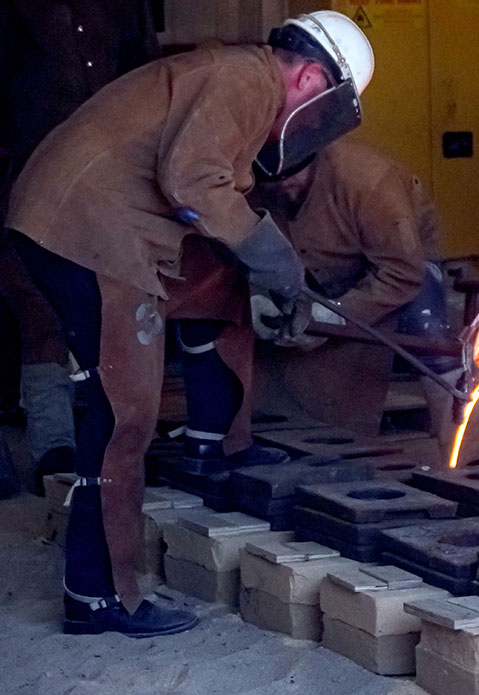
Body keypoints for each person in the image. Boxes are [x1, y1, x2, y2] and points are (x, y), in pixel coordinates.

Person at [4, 11, 374, 637]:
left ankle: (211, 443)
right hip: (90, 231)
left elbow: (219, 192)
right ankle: (100, 599)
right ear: (312, 77)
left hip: (79, 223)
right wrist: (274, 258)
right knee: (124, 416)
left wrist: (262, 274)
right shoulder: (245, 80)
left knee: (124, 401)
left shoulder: (238, 81)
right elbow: (191, 179)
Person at [0, 0, 161, 492]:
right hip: (30, 170)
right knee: (38, 308)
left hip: (109, 176)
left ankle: (115, 447)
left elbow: (146, 78)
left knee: (113, 304)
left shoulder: (122, 7)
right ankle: (54, 446)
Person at [247, 137, 479, 459]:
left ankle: (475, 457)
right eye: (273, 181)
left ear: (312, 159)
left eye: (289, 178)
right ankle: (314, 444)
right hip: (317, 263)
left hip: (400, 264)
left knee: (430, 339)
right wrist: (258, 295)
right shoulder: (260, 182)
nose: (282, 187)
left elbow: (402, 273)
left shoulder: (369, 183)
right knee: (289, 348)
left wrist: (334, 316)